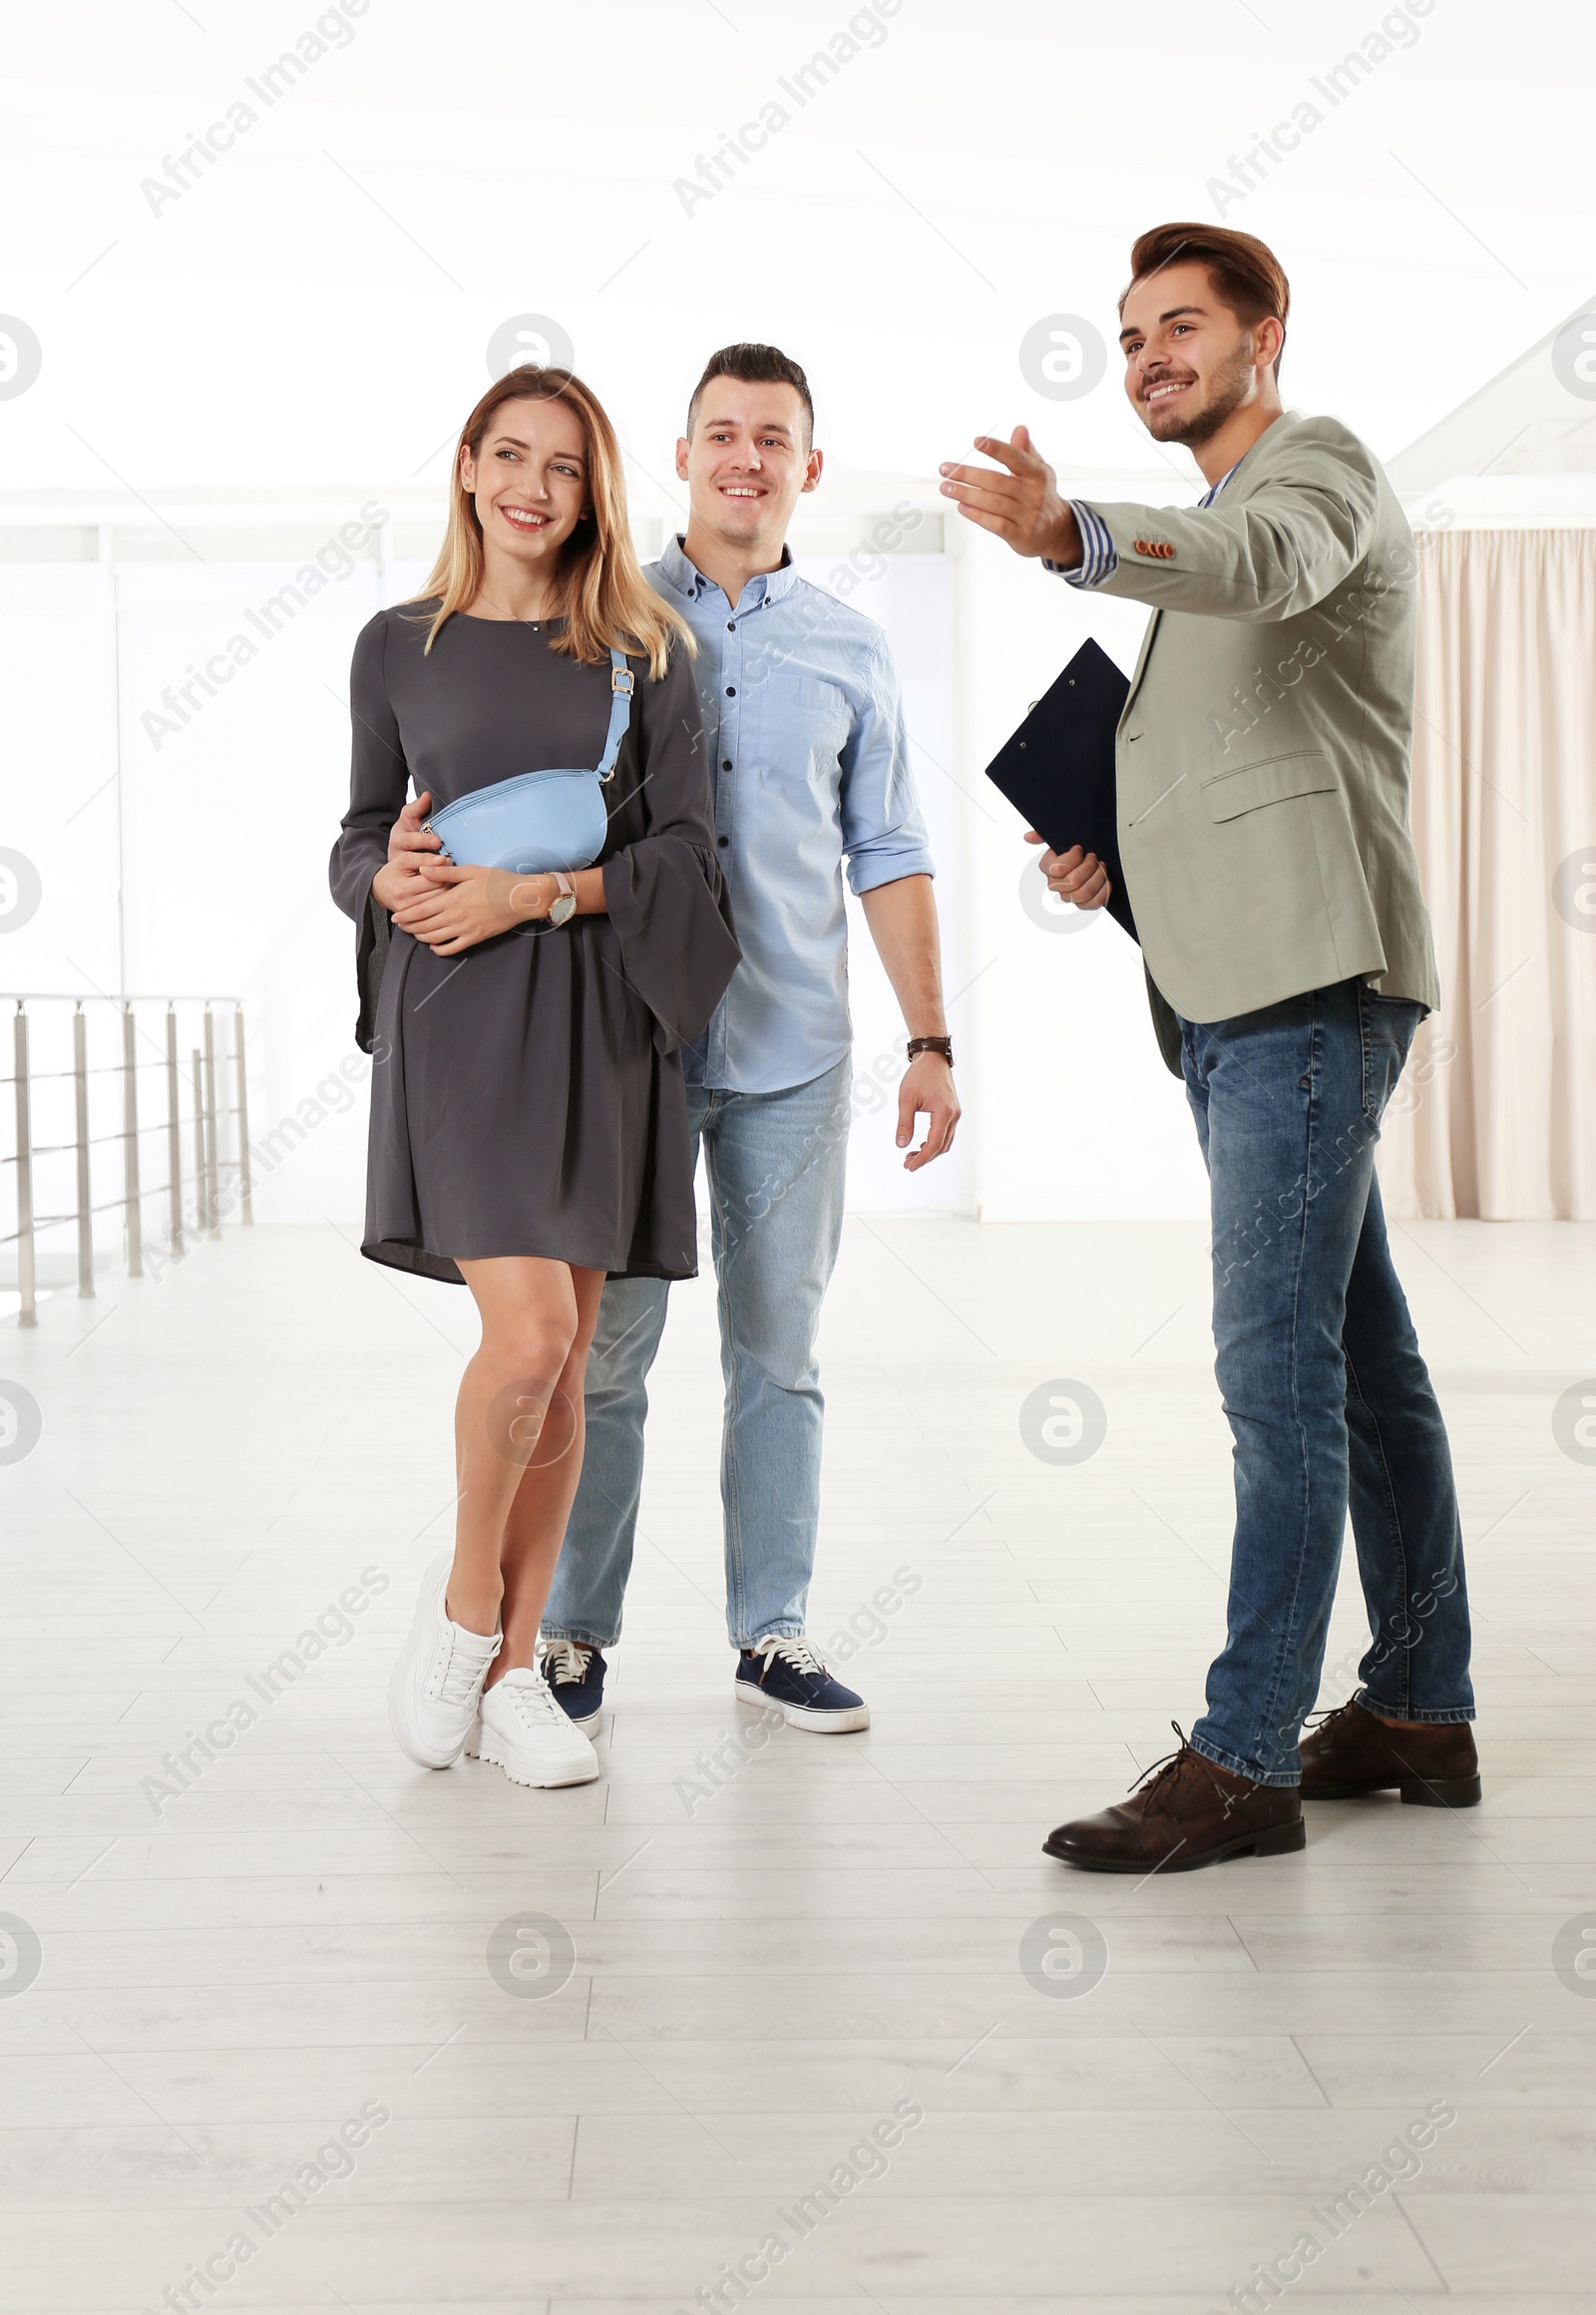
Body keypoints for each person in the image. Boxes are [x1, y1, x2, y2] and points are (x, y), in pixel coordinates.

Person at [941, 223, 1478, 1871]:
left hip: (1303, 995)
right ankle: (1420, 1707)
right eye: (1129, 335)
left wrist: (1072, 532)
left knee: (1275, 1378)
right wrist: (1120, 851)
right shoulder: (1229, 518)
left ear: (1265, 334)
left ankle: (1245, 1756)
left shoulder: (1311, 477)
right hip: (1251, 985)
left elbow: (1260, 567)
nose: (1150, 353)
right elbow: (1242, 745)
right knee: (1361, 1366)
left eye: (1182, 325)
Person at [539, 342, 960, 1735]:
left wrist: (931, 1038)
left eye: (772, 436)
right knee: (607, 1358)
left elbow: (889, 848)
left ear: (809, 466)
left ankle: (770, 1631)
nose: (746, 456)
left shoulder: (851, 644)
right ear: (682, 453)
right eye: (722, 431)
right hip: (631, 1054)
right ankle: (568, 1637)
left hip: (794, 1056)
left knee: (778, 1350)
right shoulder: (603, 620)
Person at [329, 364, 739, 1790]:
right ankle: (464, 1616)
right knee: (524, 1340)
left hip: (593, 1010)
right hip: (457, 1007)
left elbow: (686, 855)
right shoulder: (395, 646)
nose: (531, 485)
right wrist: (383, 873)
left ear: (592, 492)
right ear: (465, 466)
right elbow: (358, 837)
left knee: (564, 1363)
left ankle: (515, 1674)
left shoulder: (648, 647)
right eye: (509, 455)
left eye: (562, 467)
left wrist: (543, 897)